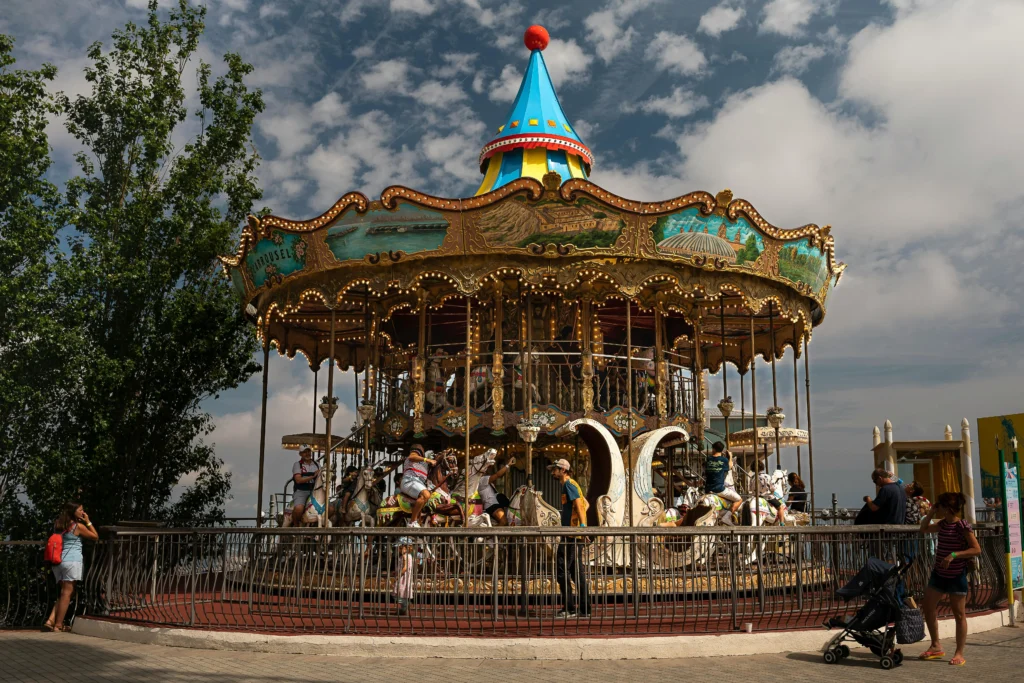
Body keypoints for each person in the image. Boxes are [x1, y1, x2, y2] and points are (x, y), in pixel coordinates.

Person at [918, 492, 980, 666]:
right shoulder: (942, 524)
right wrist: (930, 513)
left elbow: (976, 549)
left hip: (956, 575)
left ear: (948, 508)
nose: (940, 508)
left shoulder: (962, 525)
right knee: (928, 606)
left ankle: (959, 653)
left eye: (941, 506)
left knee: (959, 614)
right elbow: (923, 529)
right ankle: (936, 645)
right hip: (939, 574)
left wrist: (954, 554)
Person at [43, 502, 98, 632]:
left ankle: (50, 620)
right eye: (80, 510)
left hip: (58, 562)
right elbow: (95, 536)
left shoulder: (59, 524)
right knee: (67, 593)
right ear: (74, 512)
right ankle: (58, 625)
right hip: (72, 562)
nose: (83, 512)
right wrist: (88, 521)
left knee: (65, 593)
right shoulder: (78, 526)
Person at [549, 458, 591, 618]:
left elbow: (581, 505)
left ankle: (569, 607)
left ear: (563, 470)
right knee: (576, 571)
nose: (553, 472)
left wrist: (581, 526)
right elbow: (585, 504)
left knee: (562, 569)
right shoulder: (572, 484)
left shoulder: (569, 485)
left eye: (555, 469)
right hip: (573, 533)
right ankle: (584, 609)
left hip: (571, 534)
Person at [400, 444, 436, 528]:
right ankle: (412, 522)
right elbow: (412, 457)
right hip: (410, 481)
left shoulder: (424, 464)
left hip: (419, 483)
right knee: (425, 495)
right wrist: (427, 459)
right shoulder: (413, 457)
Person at [705, 442, 741, 516]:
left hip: (707, 488)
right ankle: (727, 516)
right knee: (739, 499)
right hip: (719, 489)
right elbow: (730, 466)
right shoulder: (724, 460)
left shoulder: (708, 459)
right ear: (722, 450)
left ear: (714, 449)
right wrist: (730, 457)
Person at [477, 454, 515, 525]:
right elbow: (498, 475)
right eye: (485, 467)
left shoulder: (485, 480)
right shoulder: (481, 480)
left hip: (495, 502)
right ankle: (493, 535)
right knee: (504, 522)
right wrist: (508, 465)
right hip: (491, 505)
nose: (486, 469)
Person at [291, 446, 320, 525]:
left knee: (330, 509)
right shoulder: (297, 465)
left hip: (314, 491)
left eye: (308, 451)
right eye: (305, 452)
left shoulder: (317, 464)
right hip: (301, 491)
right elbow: (298, 480)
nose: (307, 454)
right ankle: (296, 526)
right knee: (299, 508)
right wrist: (313, 476)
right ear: (300, 454)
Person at [393, 540, 415, 616]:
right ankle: (404, 607)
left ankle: (404, 607)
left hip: (403, 577)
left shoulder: (405, 556)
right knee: (404, 593)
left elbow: (405, 568)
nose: (399, 550)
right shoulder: (409, 556)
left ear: (405, 548)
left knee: (399, 592)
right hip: (406, 576)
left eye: (400, 548)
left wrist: (398, 576)